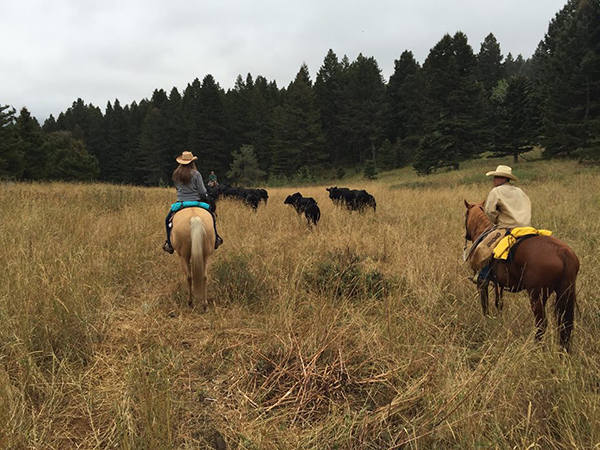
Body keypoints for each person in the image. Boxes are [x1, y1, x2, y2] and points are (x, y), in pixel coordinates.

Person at [476, 164, 531, 282]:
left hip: (507, 229)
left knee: (483, 247)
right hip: (527, 229)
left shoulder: (496, 191)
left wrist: (495, 221)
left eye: (496, 177)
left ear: (504, 179)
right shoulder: (520, 191)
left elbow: (490, 211)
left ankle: (483, 276)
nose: (493, 180)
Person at [163, 151, 223, 254]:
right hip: (196, 202)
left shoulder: (176, 174)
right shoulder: (196, 174)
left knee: (168, 220)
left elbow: (177, 188)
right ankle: (216, 238)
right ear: (192, 162)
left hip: (181, 202)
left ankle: (169, 243)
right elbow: (202, 191)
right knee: (212, 217)